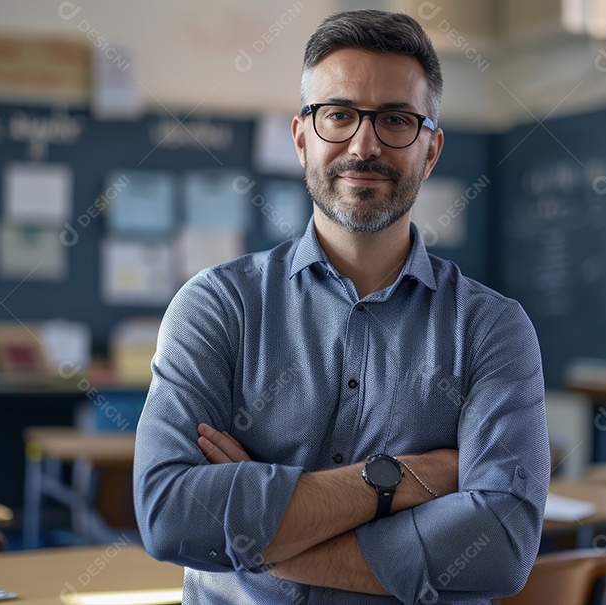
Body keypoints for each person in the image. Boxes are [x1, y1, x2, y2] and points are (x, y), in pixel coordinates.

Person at [133, 10, 549, 604]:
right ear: (302, 138)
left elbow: (500, 548)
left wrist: (260, 537)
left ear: (430, 151)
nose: (364, 144)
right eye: (339, 115)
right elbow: (172, 516)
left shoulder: (492, 328)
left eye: (397, 120)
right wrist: (400, 480)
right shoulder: (217, 306)